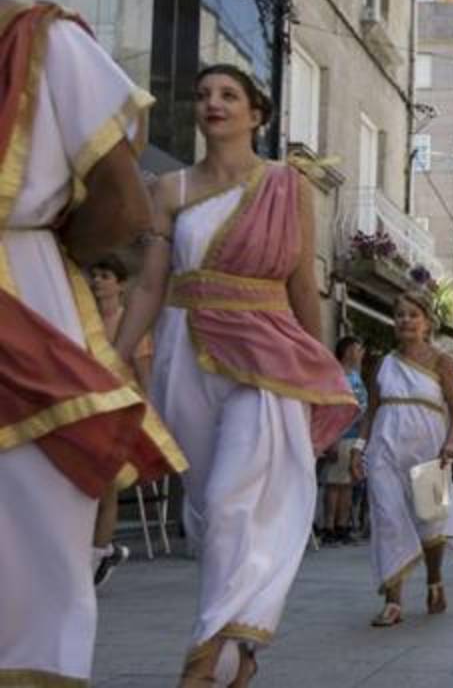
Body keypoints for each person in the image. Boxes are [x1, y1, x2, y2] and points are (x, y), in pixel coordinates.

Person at [113, 64, 358, 686]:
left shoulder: (284, 185)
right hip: (185, 352)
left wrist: (319, 367)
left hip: (268, 355)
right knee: (207, 512)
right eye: (202, 94)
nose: (212, 104)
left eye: (228, 95)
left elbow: (303, 282)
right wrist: (117, 353)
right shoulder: (169, 189)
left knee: (229, 502)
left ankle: (206, 651)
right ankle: (239, 651)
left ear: (257, 113)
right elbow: (149, 283)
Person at [0, 0, 185, 686]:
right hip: (29, 292)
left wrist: (50, 264)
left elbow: (125, 204)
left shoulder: (46, 40)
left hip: (24, 306)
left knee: (32, 551)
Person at [349, 288, 453, 628]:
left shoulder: (441, 361)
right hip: (384, 450)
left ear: (427, 322)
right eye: (400, 315)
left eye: (413, 314)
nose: (405, 320)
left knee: (431, 522)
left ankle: (434, 580)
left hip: (430, 452)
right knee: (387, 519)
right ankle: (393, 601)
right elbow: (372, 411)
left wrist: (452, 442)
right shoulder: (384, 364)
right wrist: (359, 448)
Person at [87, 254, 157, 585]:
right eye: (95, 275)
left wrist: (151, 420)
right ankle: (101, 551)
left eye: (104, 275)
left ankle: (97, 556)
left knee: (106, 489)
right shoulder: (81, 318)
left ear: (120, 284)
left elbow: (145, 378)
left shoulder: (131, 324)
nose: (97, 281)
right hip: (86, 413)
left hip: (120, 417)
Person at [323, 335, 367, 545]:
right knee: (334, 485)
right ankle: (329, 527)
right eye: (358, 349)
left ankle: (342, 526)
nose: (361, 354)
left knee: (347, 484)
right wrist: (331, 439)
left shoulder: (355, 376)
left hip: (354, 437)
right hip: (339, 436)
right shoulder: (337, 376)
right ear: (348, 351)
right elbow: (331, 409)